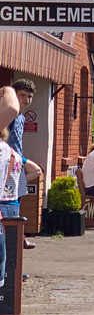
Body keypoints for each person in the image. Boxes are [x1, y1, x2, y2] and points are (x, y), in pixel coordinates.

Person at [7, 79, 44, 250]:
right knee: (11, 202)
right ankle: (16, 238)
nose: (26, 100)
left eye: (29, 96)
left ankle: (19, 237)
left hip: (17, 162)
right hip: (9, 161)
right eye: (22, 95)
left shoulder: (21, 117)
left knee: (17, 201)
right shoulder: (10, 114)